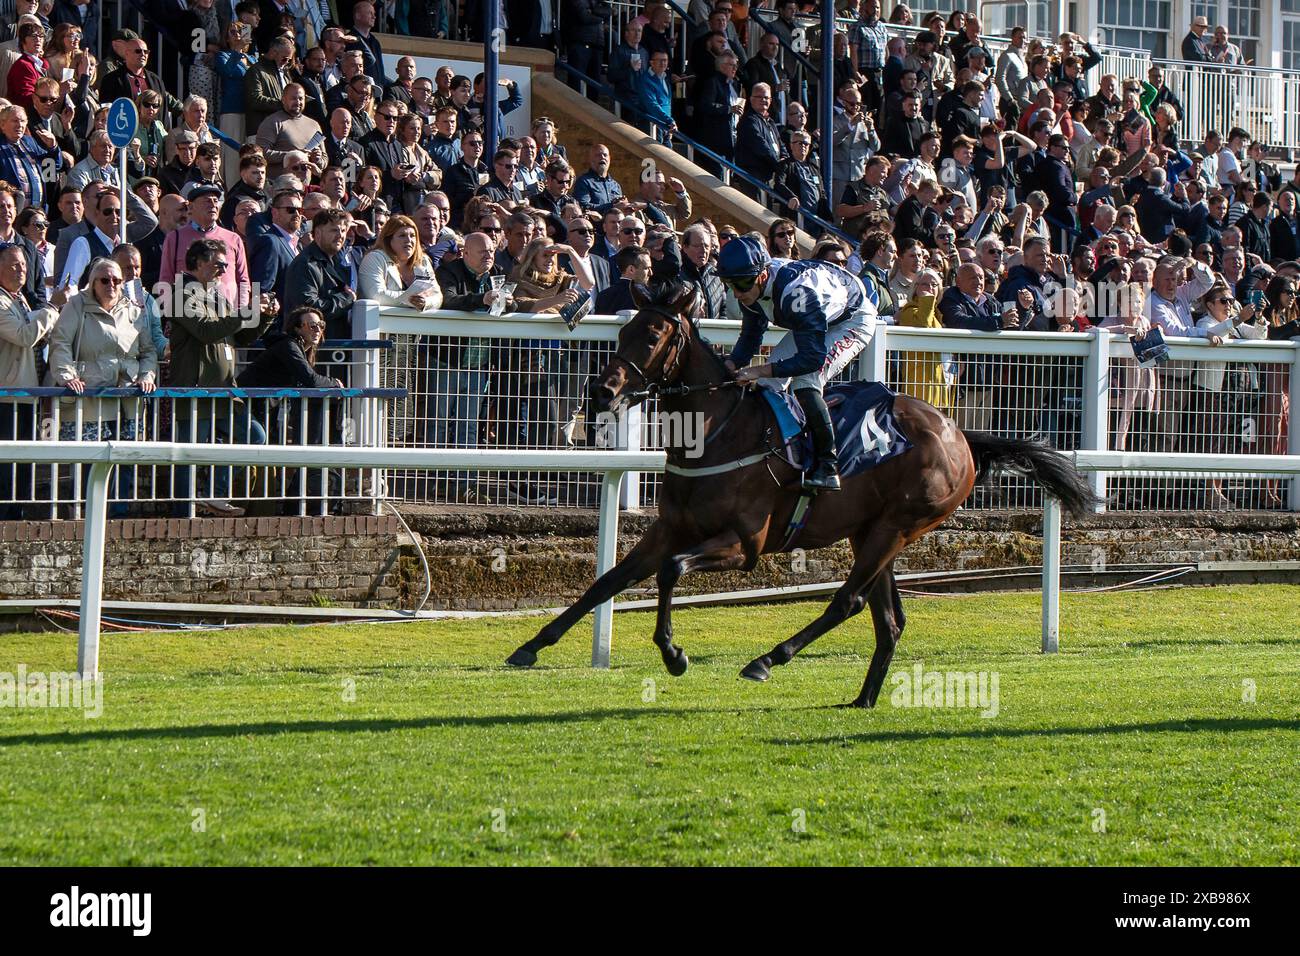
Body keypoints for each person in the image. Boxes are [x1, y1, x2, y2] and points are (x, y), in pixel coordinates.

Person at [716, 235, 877, 492]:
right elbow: (751, 333)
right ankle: (773, 451)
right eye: (729, 284)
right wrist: (732, 364)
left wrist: (757, 370)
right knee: (769, 384)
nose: (737, 292)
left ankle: (827, 465)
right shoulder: (750, 286)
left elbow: (810, 359)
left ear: (762, 275)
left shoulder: (795, 293)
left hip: (852, 320)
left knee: (806, 381)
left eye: (743, 283)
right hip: (815, 318)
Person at [0, 242, 60, 519]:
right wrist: (51, 308)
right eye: (14, 264)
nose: (21, 270)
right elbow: (24, 335)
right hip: (7, 396)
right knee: (7, 464)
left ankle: (17, 516)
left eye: (23, 264)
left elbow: (35, 335)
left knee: (23, 462)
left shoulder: (18, 298)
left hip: (25, 393)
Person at [359, 214, 441, 309]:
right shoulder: (374, 258)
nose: (409, 240)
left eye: (413, 236)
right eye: (402, 235)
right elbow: (376, 295)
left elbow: (437, 296)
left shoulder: (423, 261)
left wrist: (425, 302)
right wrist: (412, 299)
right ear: (388, 239)